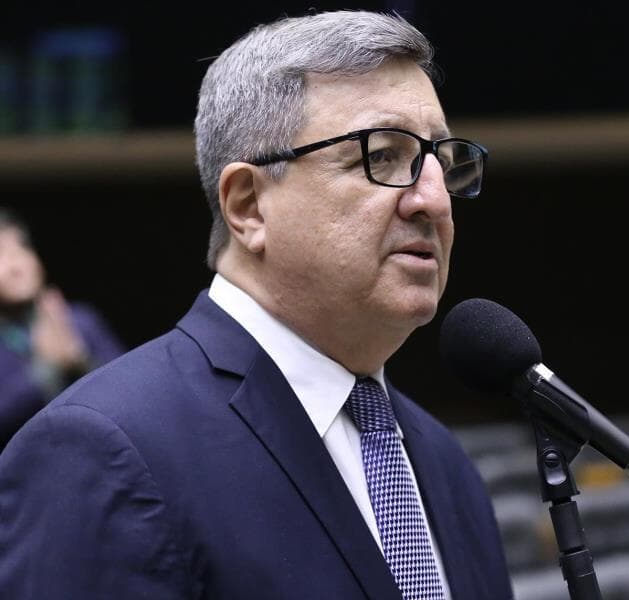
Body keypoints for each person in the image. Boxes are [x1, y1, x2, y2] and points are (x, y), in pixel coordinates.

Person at [0, 11, 512, 599]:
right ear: (247, 206)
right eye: (382, 156)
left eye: (441, 161)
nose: (435, 202)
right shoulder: (100, 449)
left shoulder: (445, 464)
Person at [0, 208, 125, 451]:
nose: (16, 265)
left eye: (21, 248)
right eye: (2, 255)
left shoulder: (80, 321)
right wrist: (47, 368)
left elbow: (126, 390)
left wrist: (81, 361)